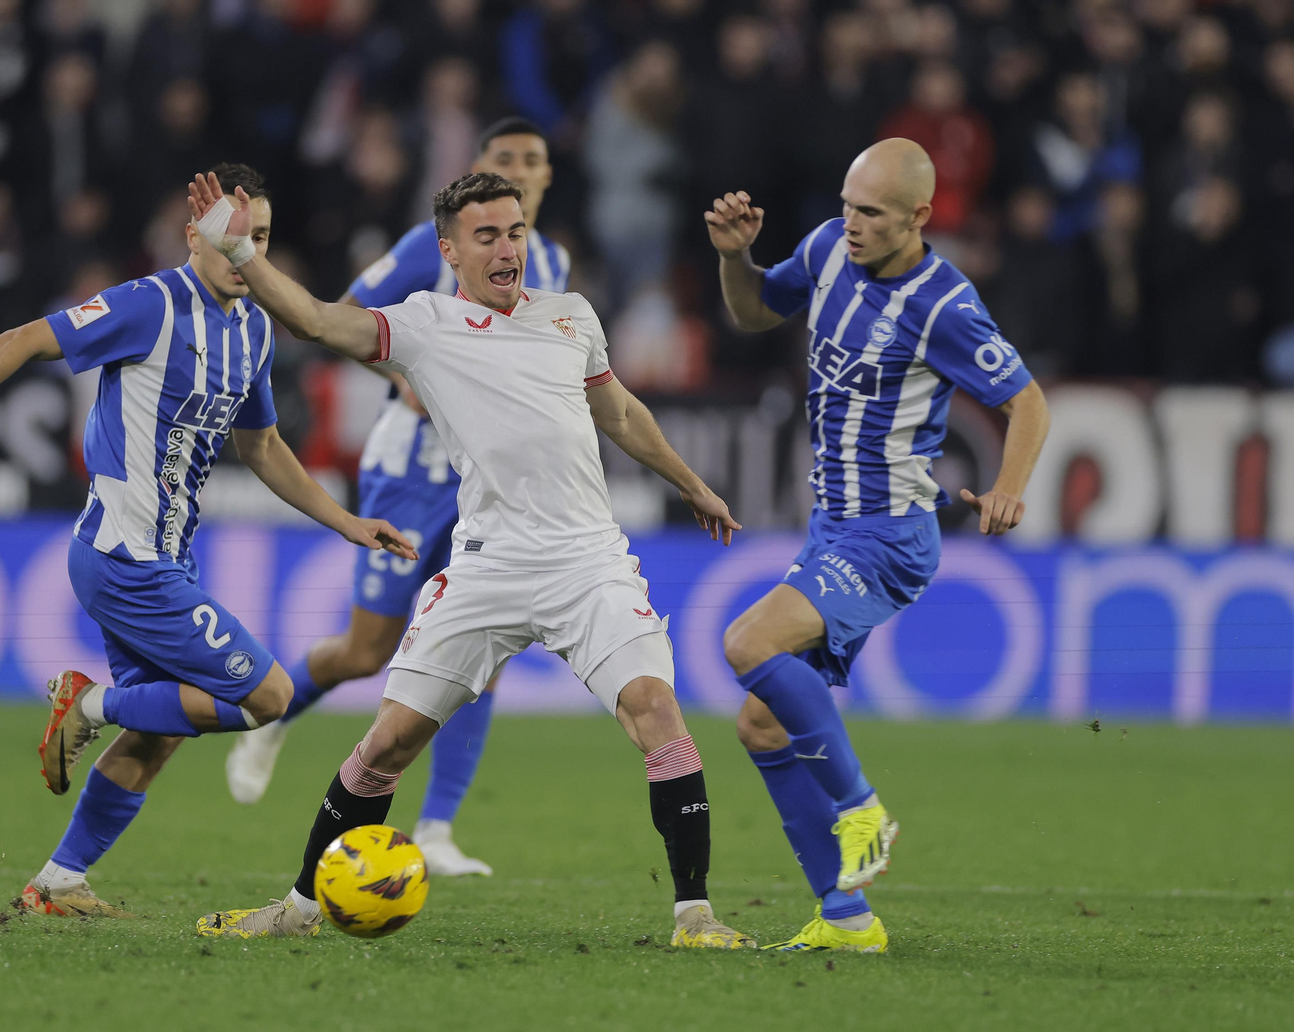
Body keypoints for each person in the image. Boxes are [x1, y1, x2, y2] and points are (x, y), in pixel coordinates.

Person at [188, 169, 753, 948]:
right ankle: (299, 907)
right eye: (485, 236)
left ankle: (695, 915)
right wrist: (243, 255)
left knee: (656, 710)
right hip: (486, 566)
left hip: (588, 560)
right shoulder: (426, 324)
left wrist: (692, 484)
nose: (506, 249)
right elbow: (316, 321)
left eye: (515, 232)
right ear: (449, 250)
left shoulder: (570, 315)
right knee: (387, 743)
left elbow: (618, 411)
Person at [0, 163, 416, 918]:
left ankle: (57, 884)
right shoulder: (149, 304)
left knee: (161, 732)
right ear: (193, 236)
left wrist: (347, 522)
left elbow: (261, 447)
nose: (246, 252)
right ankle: (89, 703)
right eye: (230, 236)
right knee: (268, 696)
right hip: (123, 557)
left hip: (165, 560)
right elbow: (23, 339)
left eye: (259, 238)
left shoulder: (254, 329)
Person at [704, 138, 1050, 953]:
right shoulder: (828, 247)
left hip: (888, 534)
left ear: (920, 216)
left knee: (747, 642)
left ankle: (861, 806)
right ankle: (847, 918)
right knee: (761, 726)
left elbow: (1028, 402)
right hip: (835, 528)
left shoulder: (944, 304)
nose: (852, 223)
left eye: (872, 213)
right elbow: (755, 311)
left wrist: (1009, 487)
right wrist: (735, 258)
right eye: (847, 205)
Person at [225, 117, 570, 879]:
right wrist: (406, 373)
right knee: (367, 651)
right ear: (480, 167)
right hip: (411, 471)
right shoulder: (428, 244)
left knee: (487, 649)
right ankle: (275, 713)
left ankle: (439, 828)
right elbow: (344, 313)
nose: (520, 169)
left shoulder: (553, 263)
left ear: (547, 176)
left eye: (532, 160)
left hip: (488, 481)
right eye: (505, 158)